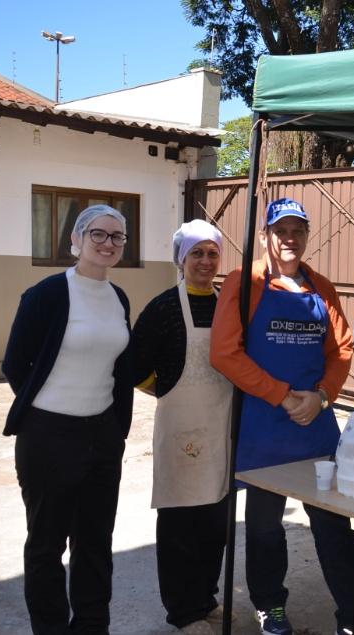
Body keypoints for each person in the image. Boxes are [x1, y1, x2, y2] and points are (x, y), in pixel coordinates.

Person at [210, 199, 354, 635]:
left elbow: (341, 349)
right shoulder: (243, 282)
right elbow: (224, 353)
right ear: (265, 237)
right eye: (281, 231)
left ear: (307, 237)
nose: (290, 239)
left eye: (298, 231)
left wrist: (320, 396)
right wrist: (281, 396)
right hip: (263, 430)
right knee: (263, 527)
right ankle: (270, 606)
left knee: (334, 524)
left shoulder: (322, 287)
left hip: (315, 428)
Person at [2, 205, 133, 635]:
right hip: (49, 436)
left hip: (101, 436)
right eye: (98, 234)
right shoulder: (48, 294)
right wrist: (50, 410)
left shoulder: (118, 298)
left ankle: (93, 626)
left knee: (95, 542)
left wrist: (113, 431)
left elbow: (119, 369)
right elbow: (15, 365)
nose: (108, 243)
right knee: (47, 544)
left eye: (117, 237)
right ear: (75, 240)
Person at [130, 220, 232, 634]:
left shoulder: (230, 305)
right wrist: (168, 393)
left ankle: (205, 599)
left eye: (212, 253)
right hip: (181, 429)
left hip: (222, 425)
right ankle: (182, 612)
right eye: (196, 253)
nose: (205, 262)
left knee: (215, 520)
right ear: (181, 259)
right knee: (180, 525)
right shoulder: (163, 308)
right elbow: (135, 367)